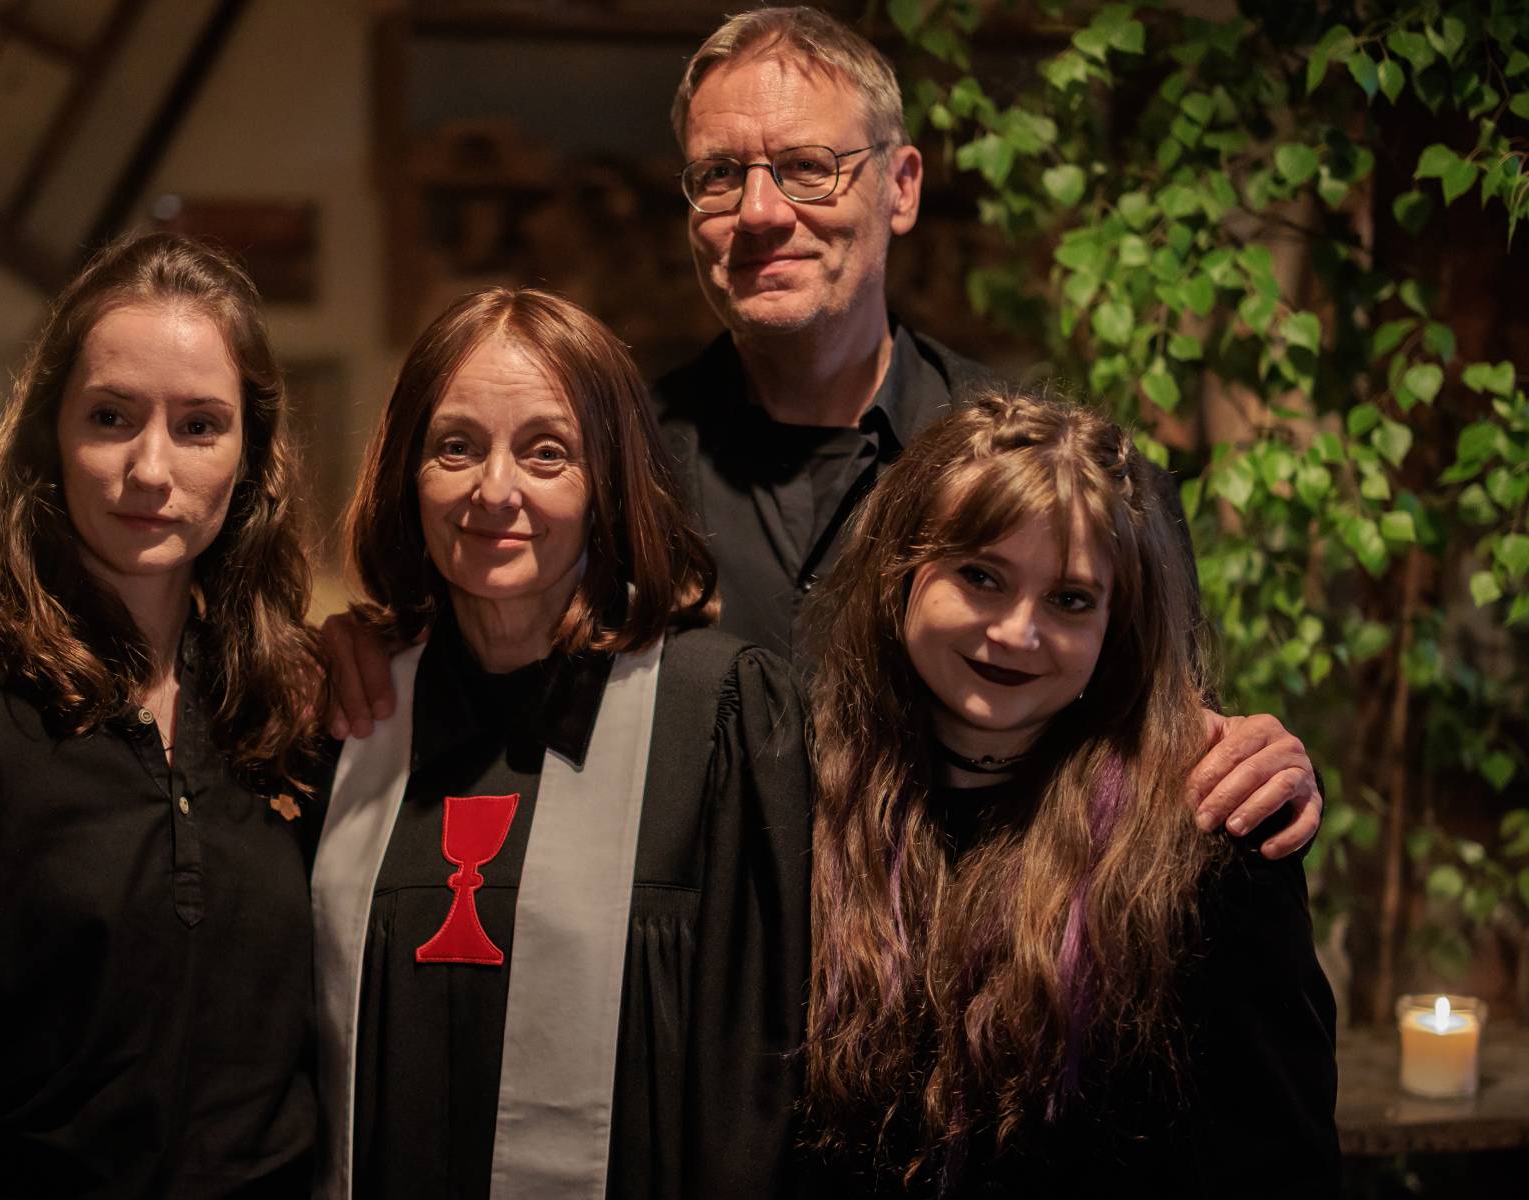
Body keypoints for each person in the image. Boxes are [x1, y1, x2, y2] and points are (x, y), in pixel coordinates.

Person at [323, 4, 1323, 859]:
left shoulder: (1066, 483)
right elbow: (489, 659)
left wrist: (1259, 768)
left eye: (809, 167)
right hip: (683, 1001)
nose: (760, 212)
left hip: (970, 995)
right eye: (721, 175)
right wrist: (367, 651)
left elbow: (1170, 754)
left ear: (902, 186)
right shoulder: (616, 470)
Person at [0, 233, 325, 1197]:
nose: (150, 468)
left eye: (200, 425)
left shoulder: (289, 705)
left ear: (251, 456)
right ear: (49, 437)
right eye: (110, 416)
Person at [308, 286, 811, 1199]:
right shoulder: (350, 716)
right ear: (407, 474)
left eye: (547, 451)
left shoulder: (716, 718)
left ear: (608, 481)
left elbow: (756, 1086)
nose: (494, 490)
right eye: (455, 446)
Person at [804, 390, 1339, 1196]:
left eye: (1069, 600)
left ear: (1115, 625)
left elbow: (1283, 1166)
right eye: (981, 576)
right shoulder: (807, 793)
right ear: (901, 573)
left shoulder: (1208, 828)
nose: (1016, 632)